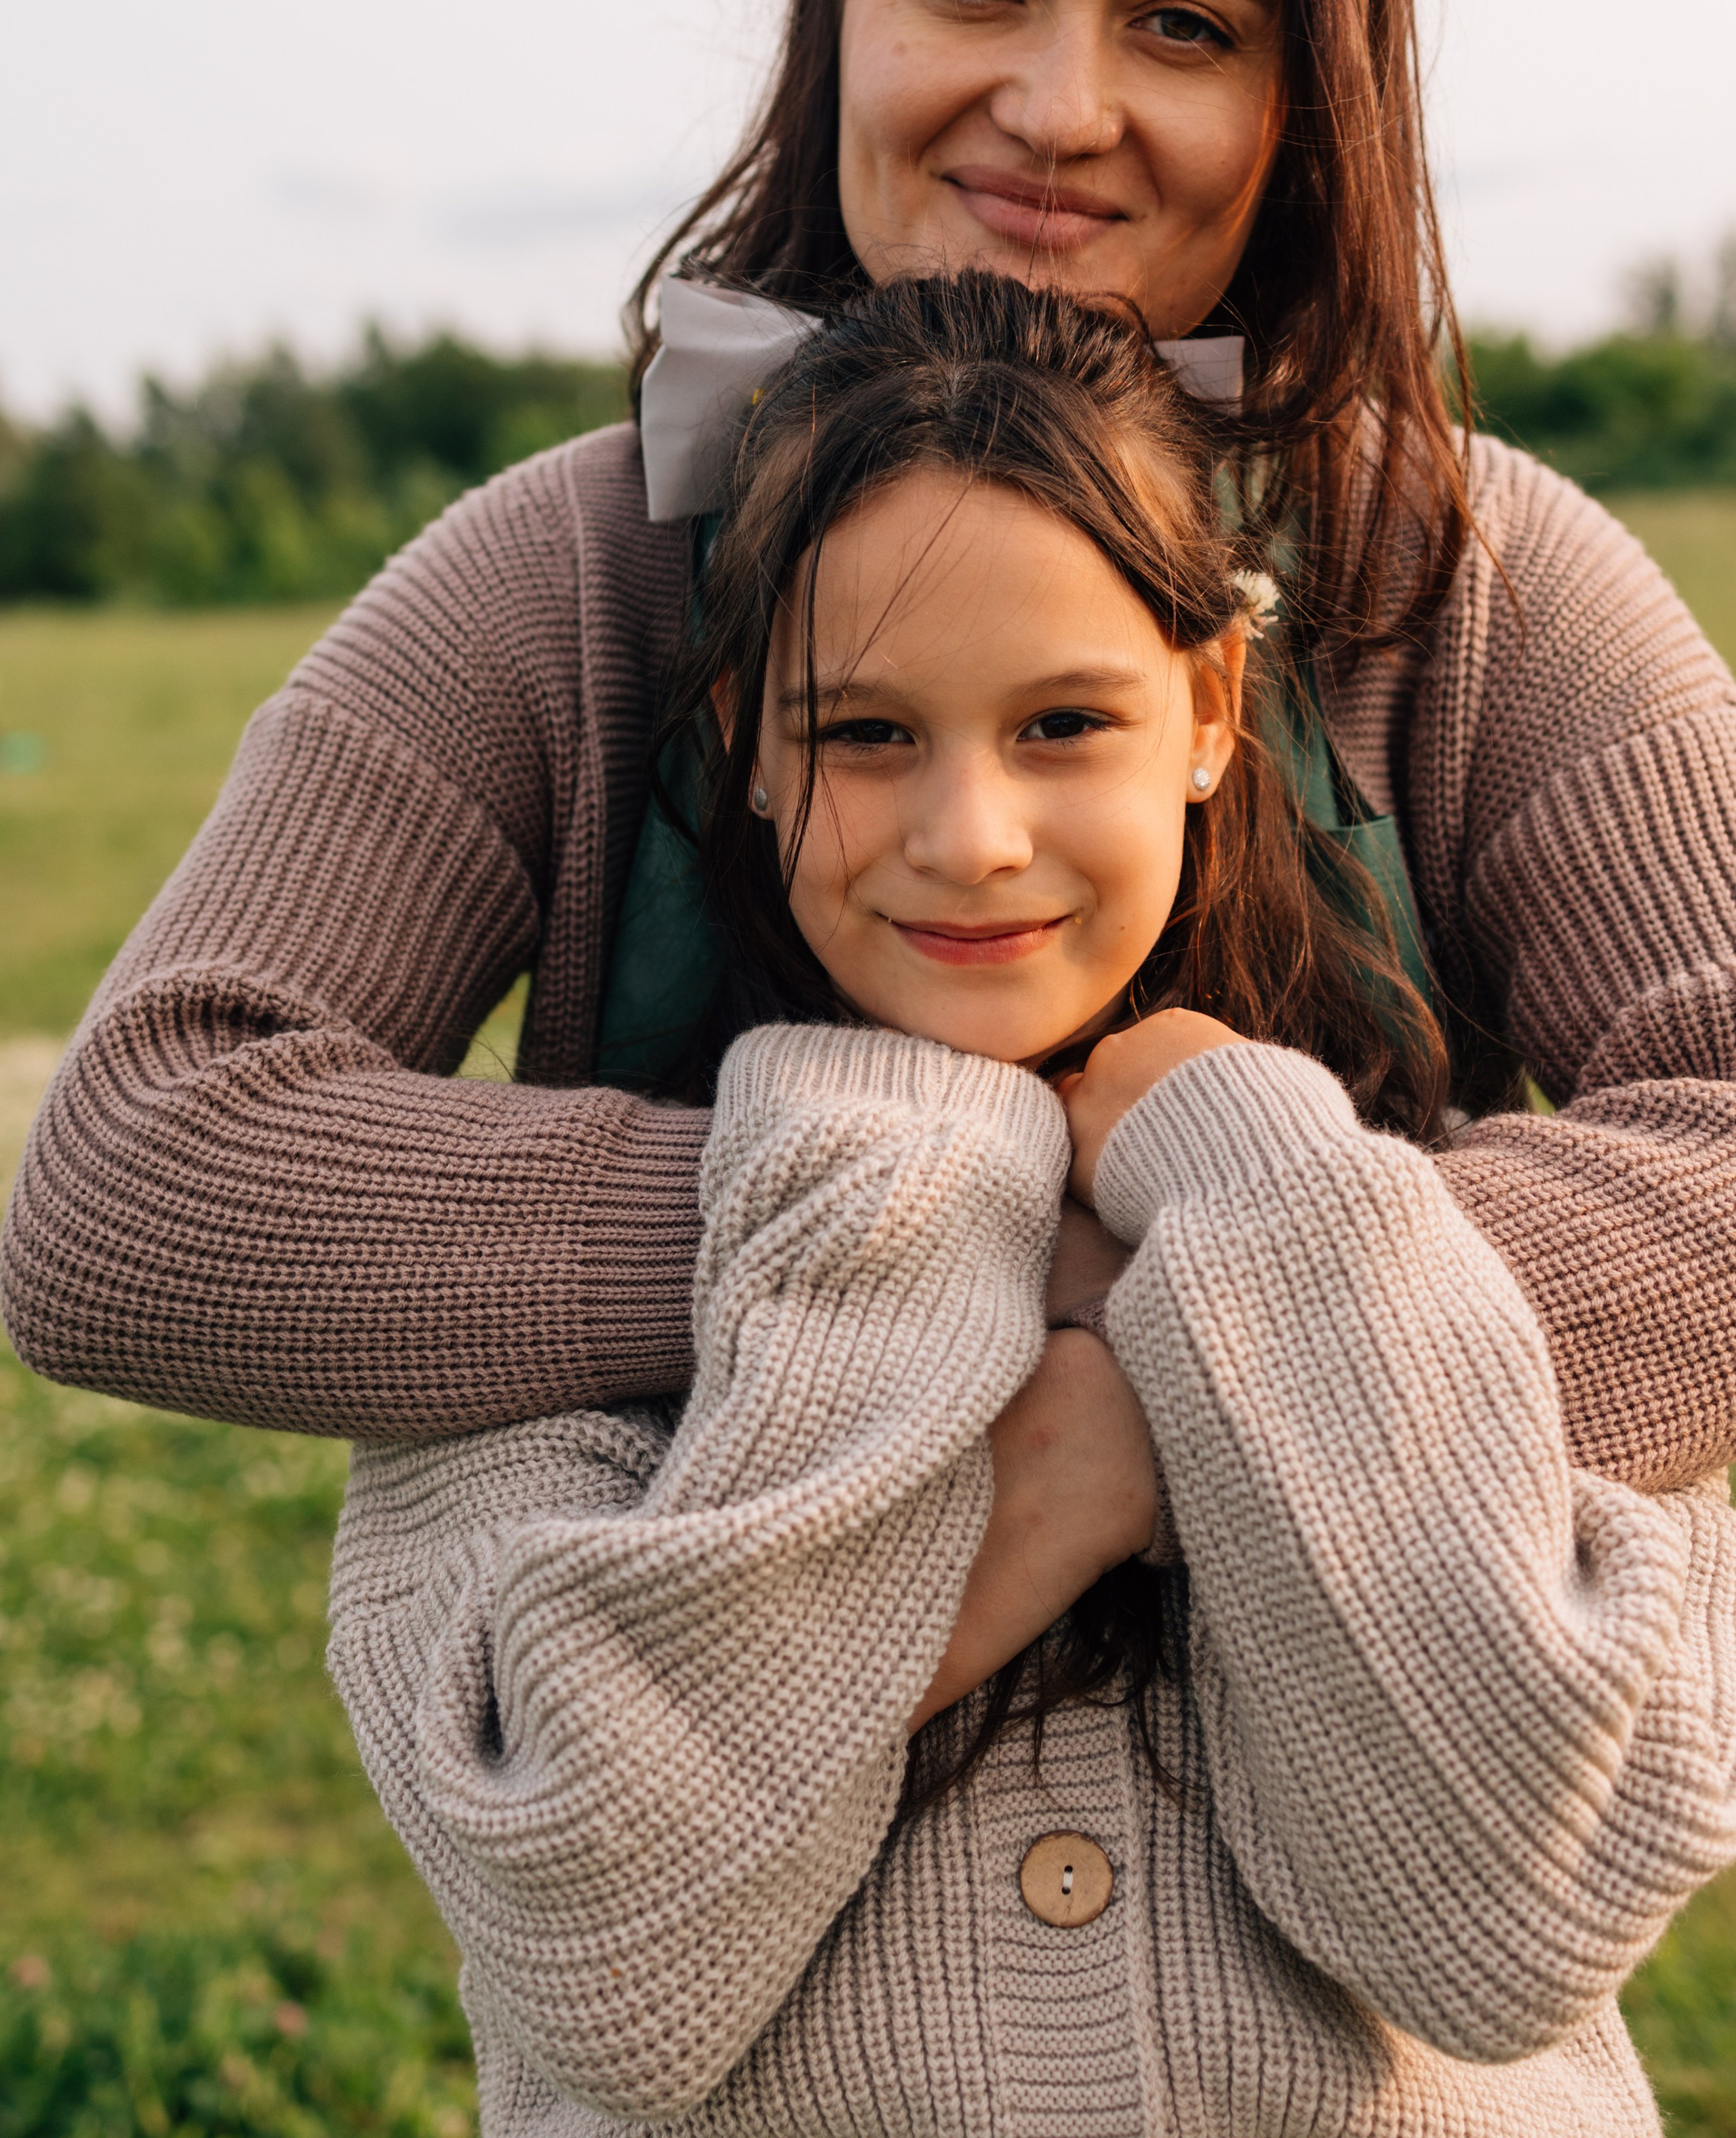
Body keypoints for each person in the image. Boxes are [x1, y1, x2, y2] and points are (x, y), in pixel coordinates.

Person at [4, 0, 1735, 1545]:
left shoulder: (1480, 577)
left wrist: (1166, 1399)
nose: (1059, 106)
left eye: (1182, 22)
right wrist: (911, 1223)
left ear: (1304, 95)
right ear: (837, 8)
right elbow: (134, 1189)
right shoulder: (576, 567)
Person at [330, 278, 1736, 2137]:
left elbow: (1502, 1914)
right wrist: (908, 1186)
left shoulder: (1456, 1261)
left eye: (1066, 720)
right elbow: (603, 1955)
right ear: (748, 736)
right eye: (866, 734)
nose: (972, 833)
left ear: (1210, 706)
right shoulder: (532, 1339)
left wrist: (1251, 1176)